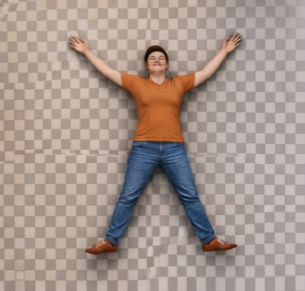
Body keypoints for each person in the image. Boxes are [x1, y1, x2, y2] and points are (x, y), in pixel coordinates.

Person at [68, 32, 242, 256]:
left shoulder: (178, 84)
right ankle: (110, 241)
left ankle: (209, 240)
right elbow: (107, 71)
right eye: (152, 58)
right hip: (144, 149)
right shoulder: (136, 83)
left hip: (174, 149)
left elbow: (206, 72)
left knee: (189, 195)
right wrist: (87, 52)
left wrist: (224, 51)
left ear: (167, 64)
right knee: (128, 196)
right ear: (146, 65)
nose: (157, 59)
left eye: (161, 57)